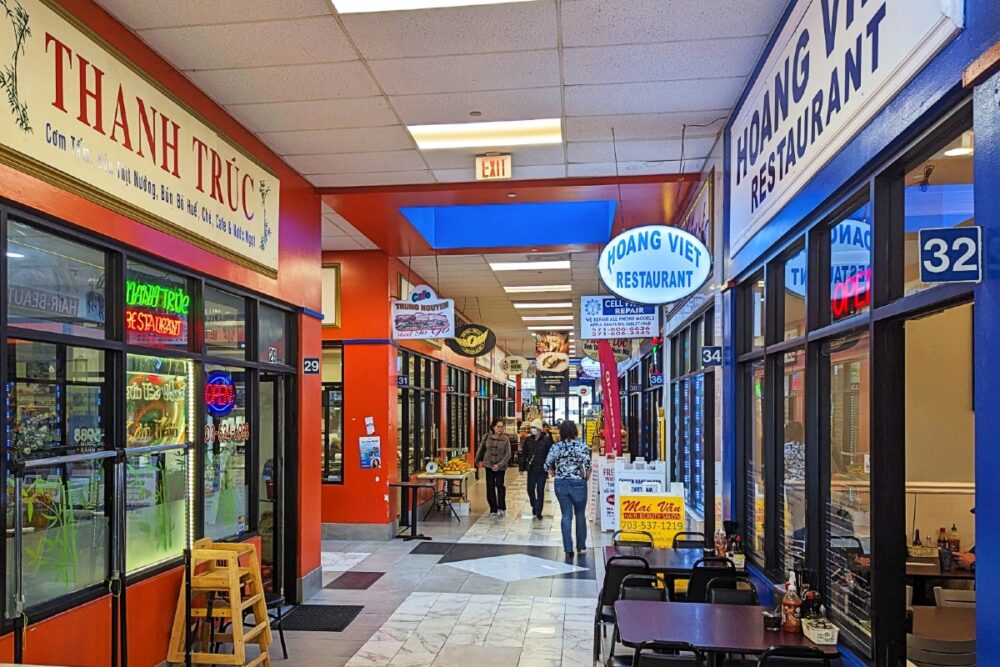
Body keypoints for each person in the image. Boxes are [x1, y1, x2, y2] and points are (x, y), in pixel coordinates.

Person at [545, 420, 592, 558]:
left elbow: (547, 464)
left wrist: (553, 472)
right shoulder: (581, 446)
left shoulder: (556, 447)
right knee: (580, 514)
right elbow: (588, 467)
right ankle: (581, 546)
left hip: (561, 483)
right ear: (575, 432)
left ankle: (568, 549)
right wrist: (584, 479)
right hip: (578, 483)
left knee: (566, 515)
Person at [476, 417, 511, 517]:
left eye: (502, 427)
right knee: (490, 487)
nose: (500, 429)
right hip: (488, 465)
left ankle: (501, 507)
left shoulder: (505, 439)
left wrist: (499, 465)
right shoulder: (487, 437)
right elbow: (481, 449)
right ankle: (493, 509)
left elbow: (508, 454)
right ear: (493, 427)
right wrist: (477, 460)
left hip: (501, 466)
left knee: (500, 485)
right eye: (498, 427)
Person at [520, 418, 553, 519]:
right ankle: (534, 504)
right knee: (530, 489)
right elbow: (523, 454)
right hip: (531, 469)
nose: (532, 430)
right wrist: (521, 468)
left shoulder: (546, 440)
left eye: (534, 428)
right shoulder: (528, 440)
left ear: (539, 429)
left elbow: (551, 454)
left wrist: (551, 467)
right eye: (531, 428)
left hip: (542, 470)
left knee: (540, 490)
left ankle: (538, 511)